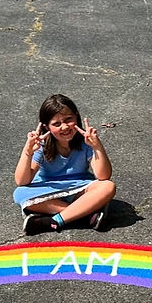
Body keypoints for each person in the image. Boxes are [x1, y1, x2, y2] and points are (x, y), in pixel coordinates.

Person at [14, 94, 116, 235]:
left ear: (76, 116)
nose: (64, 127)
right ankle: (84, 215)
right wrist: (27, 152)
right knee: (20, 193)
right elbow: (22, 181)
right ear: (46, 127)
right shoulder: (42, 145)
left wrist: (97, 147)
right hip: (48, 190)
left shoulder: (85, 142)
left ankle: (54, 221)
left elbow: (103, 175)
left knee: (107, 186)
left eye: (68, 119)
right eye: (56, 124)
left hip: (79, 189)